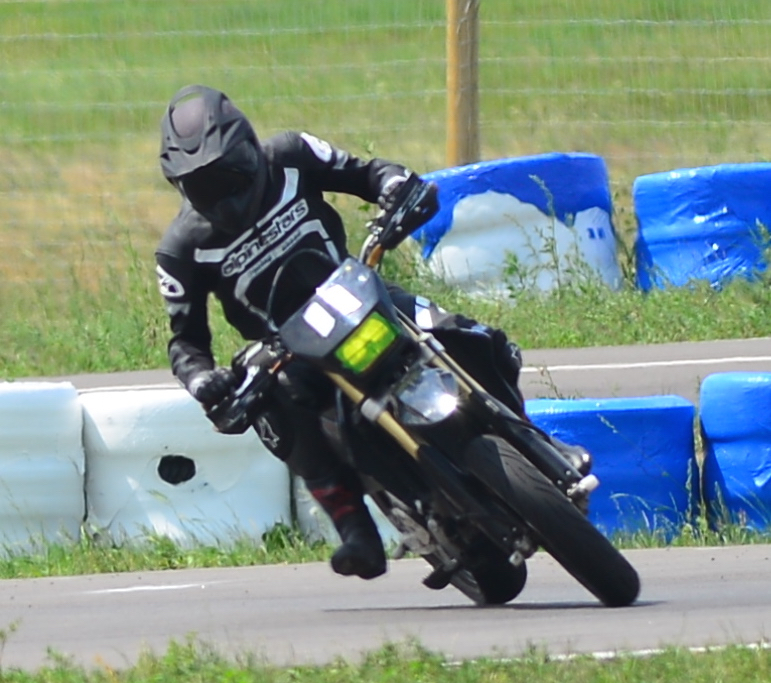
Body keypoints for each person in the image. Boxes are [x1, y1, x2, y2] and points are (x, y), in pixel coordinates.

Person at [155, 84, 590, 581]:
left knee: (470, 336)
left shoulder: (292, 155)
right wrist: (203, 381)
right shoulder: (180, 249)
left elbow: (366, 173)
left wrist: (395, 186)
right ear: (180, 187)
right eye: (204, 186)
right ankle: (355, 529)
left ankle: (537, 443)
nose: (224, 193)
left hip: (358, 294)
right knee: (275, 408)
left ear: (250, 146)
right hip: (290, 348)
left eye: (230, 173)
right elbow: (186, 341)